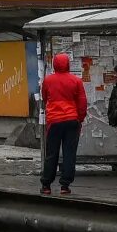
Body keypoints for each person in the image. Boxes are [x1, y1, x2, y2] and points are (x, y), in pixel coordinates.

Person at [39, 51, 86, 196]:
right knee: (69, 153)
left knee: (51, 153)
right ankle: (65, 186)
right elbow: (82, 103)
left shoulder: (48, 80)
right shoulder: (76, 80)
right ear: (68, 64)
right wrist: (80, 118)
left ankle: (46, 185)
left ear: (54, 64)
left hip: (54, 121)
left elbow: (45, 98)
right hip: (72, 120)